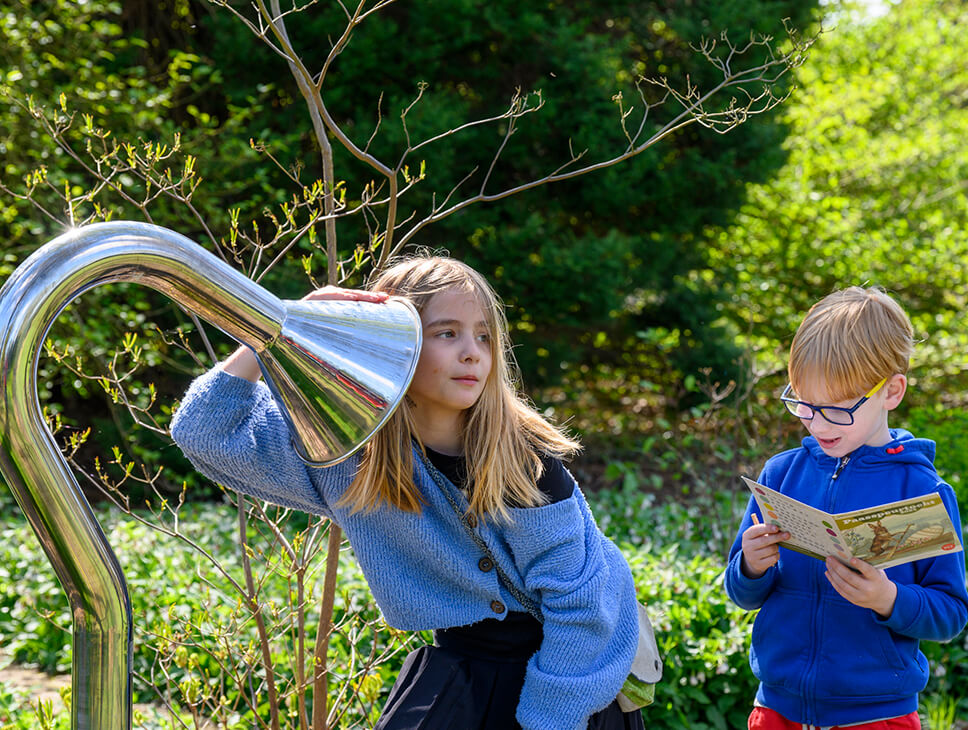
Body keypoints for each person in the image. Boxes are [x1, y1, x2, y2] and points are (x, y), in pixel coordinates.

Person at [170, 255, 644, 730]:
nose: (472, 353)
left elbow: (583, 607)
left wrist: (545, 722)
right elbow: (202, 431)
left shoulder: (522, 462)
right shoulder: (347, 452)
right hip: (463, 666)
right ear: (395, 344)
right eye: (446, 333)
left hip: (570, 673)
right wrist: (281, 326)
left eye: (484, 336)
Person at [723, 286, 968, 730]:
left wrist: (888, 598)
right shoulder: (781, 475)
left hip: (876, 715)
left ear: (891, 392)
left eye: (837, 409)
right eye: (803, 404)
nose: (817, 423)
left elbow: (950, 613)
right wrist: (751, 568)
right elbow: (741, 593)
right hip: (777, 709)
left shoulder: (920, 490)